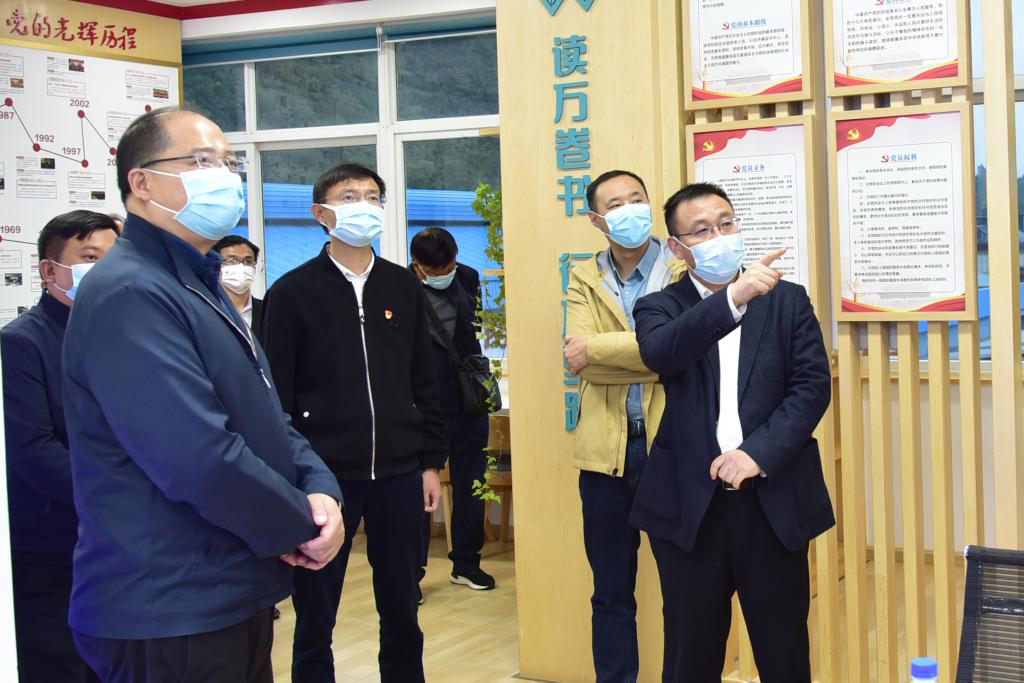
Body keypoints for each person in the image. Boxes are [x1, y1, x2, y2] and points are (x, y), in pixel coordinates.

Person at [61, 107, 345, 683]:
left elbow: (267, 415)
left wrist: (321, 491)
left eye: (229, 163)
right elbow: (196, 456)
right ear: (141, 183)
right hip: (168, 602)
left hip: (226, 588)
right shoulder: (131, 291)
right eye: (201, 161)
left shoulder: (197, 283)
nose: (224, 176)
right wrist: (301, 522)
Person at [631, 182, 834, 683]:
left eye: (726, 223)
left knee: (784, 651)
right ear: (677, 248)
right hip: (689, 506)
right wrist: (733, 298)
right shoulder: (659, 307)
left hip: (771, 500)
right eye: (702, 230)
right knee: (690, 654)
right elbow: (662, 353)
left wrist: (756, 454)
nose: (719, 236)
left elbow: (811, 387)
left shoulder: (788, 300)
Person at [260, 163, 448, 683]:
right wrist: (295, 476)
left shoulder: (403, 286)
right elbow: (275, 395)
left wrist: (430, 463)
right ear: (321, 213)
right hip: (324, 479)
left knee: (402, 606)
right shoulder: (292, 293)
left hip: (400, 473)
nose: (364, 205)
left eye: (372, 196)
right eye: (349, 196)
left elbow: (424, 380)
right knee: (315, 613)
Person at [563, 170, 685, 683]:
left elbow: (687, 351)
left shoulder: (681, 268)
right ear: (597, 220)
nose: (630, 209)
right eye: (616, 204)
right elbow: (581, 363)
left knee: (684, 588)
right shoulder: (583, 276)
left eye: (637, 199)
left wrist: (601, 349)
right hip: (604, 456)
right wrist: (658, 351)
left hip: (674, 449)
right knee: (611, 591)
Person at [3, 209, 118, 683]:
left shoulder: (122, 338)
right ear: (50, 271)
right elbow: (33, 451)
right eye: (90, 257)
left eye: (113, 258)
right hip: (54, 546)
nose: (105, 270)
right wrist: (117, 496)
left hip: (119, 546)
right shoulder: (20, 345)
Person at [409, 227, 495, 593]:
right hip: (423, 402)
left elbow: (472, 332)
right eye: (437, 270)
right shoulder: (400, 287)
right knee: (419, 492)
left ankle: (466, 563)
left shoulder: (468, 278)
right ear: (418, 265)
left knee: (472, 484)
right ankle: (412, 575)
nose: (445, 274)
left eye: (450, 266)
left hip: (468, 399)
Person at [212, 234, 263, 336]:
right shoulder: (207, 309)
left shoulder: (268, 311)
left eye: (247, 261)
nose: (241, 267)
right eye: (232, 261)